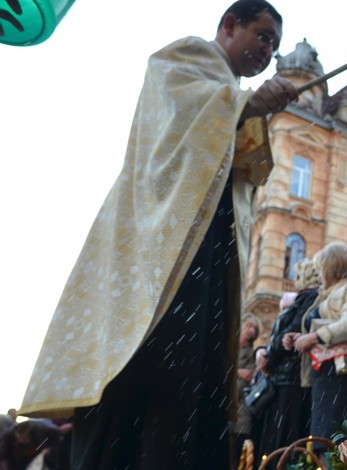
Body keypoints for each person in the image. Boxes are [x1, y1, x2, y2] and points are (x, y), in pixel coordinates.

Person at [18, 1, 300, 468]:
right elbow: (180, 120)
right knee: (149, 361)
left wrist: (251, 113)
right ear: (230, 25)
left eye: (275, 46)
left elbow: (241, 168)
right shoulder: (186, 57)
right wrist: (245, 104)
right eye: (263, 36)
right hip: (161, 250)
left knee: (196, 371)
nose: (268, 51)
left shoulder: (227, 90)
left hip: (209, 249)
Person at [284, 243, 347, 441]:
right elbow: (320, 326)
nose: (319, 273)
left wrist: (313, 337)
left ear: (331, 267)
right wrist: (298, 338)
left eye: (320, 268)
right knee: (323, 442)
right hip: (324, 376)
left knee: (341, 441)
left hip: (346, 377)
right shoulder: (324, 295)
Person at [256, 261, 320, 457]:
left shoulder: (309, 298)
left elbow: (288, 335)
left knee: (283, 440)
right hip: (285, 377)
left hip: (290, 379)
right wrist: (263, 351)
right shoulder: (304, 299)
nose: (294, 280)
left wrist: (268, 354)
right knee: (279, 439)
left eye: (298, 275)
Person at [232, 313, 263, 465]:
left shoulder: (252, 355)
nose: (251, 330)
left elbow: (241, 385)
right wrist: (237, 371)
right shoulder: (228, 347)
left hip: (240, 417)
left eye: (254, 328)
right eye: (248, 325)